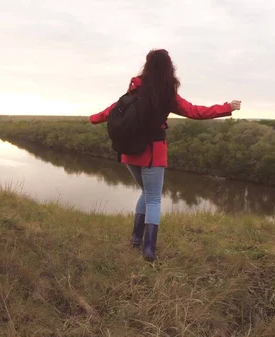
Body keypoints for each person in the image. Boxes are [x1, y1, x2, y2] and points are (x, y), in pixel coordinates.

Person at [89, 49, 241, 262]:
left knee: (146, 193)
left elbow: (113, 110)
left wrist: (93, 118)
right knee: (153, 198)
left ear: (147, 66)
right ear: (169, 67)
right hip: (152, 153)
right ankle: (149, 250)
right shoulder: (166, 94)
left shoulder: (134, 89)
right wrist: (226, 108)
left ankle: (135, 240)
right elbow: (195, 111)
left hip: (128, 152)